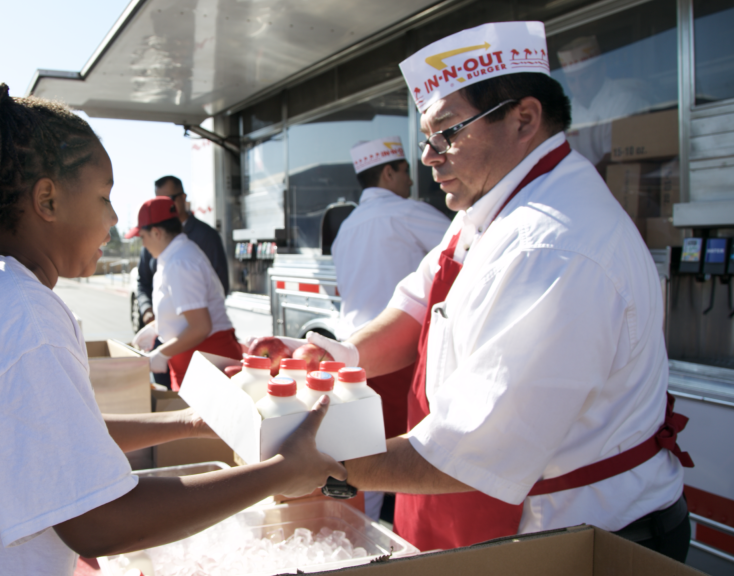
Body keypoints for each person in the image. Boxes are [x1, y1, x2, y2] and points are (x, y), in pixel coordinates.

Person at [0, 77, 345, 576]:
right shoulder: (20, 313)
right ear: (48, 200)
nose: (112, 219)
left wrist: (193, 422)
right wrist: (278, 473)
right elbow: (96, 523)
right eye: (103, 196)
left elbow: (56, 435)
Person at [297, 22, 693, 560]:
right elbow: (416, 306)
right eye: (427, 140)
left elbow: (470, 450)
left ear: (524, 119)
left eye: (448, 133)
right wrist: (338, 356)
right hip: (504, 505)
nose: (430, 158)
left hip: (583, 537)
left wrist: (314, 463)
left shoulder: (552, 246)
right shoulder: (488, 209)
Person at [331, 136, 449, 520]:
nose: (412, 182)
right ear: (388, 172)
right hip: (395, 358)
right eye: (406, 172)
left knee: (361, 459)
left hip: (354, 354)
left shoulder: (347, 226)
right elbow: (466, 250)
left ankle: (361, 542)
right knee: (401, 458)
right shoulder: (407, 212)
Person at [128, 197, 243, 390]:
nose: (143, 244)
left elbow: (200, 326)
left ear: (156, 233)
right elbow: (184, 310)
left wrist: (162, 353)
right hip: (195, 363)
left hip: (208, 364)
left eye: (143, 237)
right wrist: (158, 327)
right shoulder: (175, 256)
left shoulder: (180, 262)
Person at [136, 176, 229, 328]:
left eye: (168, 199)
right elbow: (143, 280)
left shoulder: (205, 237)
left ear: (183, 198)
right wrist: (148, 310)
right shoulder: (151, 238)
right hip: (169, 333)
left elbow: (219, 285)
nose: (163, 204)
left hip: (195, 336)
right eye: (158, 199)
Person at [557, 36, 649, 169]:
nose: (579, 87)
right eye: (572, 81)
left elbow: (614, 158)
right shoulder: (568, 110)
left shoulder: (624, 100)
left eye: (585, 77)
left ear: (602, 69)